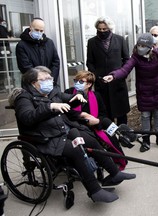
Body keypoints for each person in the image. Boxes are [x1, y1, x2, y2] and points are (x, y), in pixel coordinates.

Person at [14, 66, 136, 203]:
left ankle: (115, 173)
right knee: (75, 149)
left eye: (50, 78)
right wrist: (49, 107)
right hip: (45, 137)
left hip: (63, 130)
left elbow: (69, 98)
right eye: (44, 79)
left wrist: (78, 96)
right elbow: (27, 117)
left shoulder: (53, 92)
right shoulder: (24, 98)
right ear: (32, 83)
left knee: (91, 140)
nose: (49, 81)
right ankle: (94, 190)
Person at [103, 33, 158, 152]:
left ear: (150, 46)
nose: (140, 48)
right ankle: (146, 140)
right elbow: (125, 69)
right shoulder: (135, 57)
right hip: (144, 92)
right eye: (139, 45)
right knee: (145, 116)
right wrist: (113, 76)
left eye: (143, 45)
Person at [65, 70, 127, 170]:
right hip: (76, 126)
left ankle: (122, 147)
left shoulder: (96, 96)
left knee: (110, 134)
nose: (77, 83)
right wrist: (83, 115)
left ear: (89, 84)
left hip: (94, 125)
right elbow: (66, 112)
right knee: (94, 140)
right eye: (76, 80)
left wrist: (97, 121)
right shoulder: (68, 93)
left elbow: (103, 114)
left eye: (81, 82)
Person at [86, 16, 130, 125]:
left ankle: (124, 136)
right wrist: (96, 77)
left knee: (121, 113)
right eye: (99, 29)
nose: (102, 31)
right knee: (105, 112)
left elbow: (126, 60)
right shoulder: (92, 42)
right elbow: (90, 62)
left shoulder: (119, 40)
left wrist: (121, 75)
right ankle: (110, 138)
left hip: (117, 82)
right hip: (102, 84)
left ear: (109, 28)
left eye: (104, 29)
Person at [16, 17, 60, 83]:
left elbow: (55, 63)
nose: (39, 32)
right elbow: (25, 66)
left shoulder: (49, 43)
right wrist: (39, 80)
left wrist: (51, 79)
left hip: (49, 82)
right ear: (30, 28)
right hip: (32, 84)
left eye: (41, 31)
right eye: (36, 30)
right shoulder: (22, 45)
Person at [0, 17, 12, 90]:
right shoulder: (1, 28)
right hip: (3, 51)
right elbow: (5, 36)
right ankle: (4, 85)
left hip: (4, 51)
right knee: (5, 67)